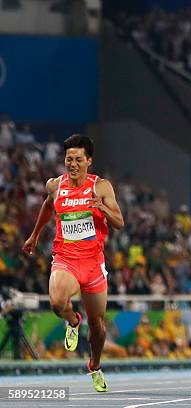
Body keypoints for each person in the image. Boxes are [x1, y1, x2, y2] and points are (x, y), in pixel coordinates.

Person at [22, 134, 124, 391]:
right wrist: (34, 235)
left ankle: (95, 366)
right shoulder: (55, 186)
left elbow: (119, 223)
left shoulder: (101, 187)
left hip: (93, 263)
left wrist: (101, 207)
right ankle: (73, 320)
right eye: (69, 159)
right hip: (66, 259)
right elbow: (47, 206)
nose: (73, 164)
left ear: (88, 161)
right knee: (57, 303)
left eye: (78, 159)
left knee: (98, 327)